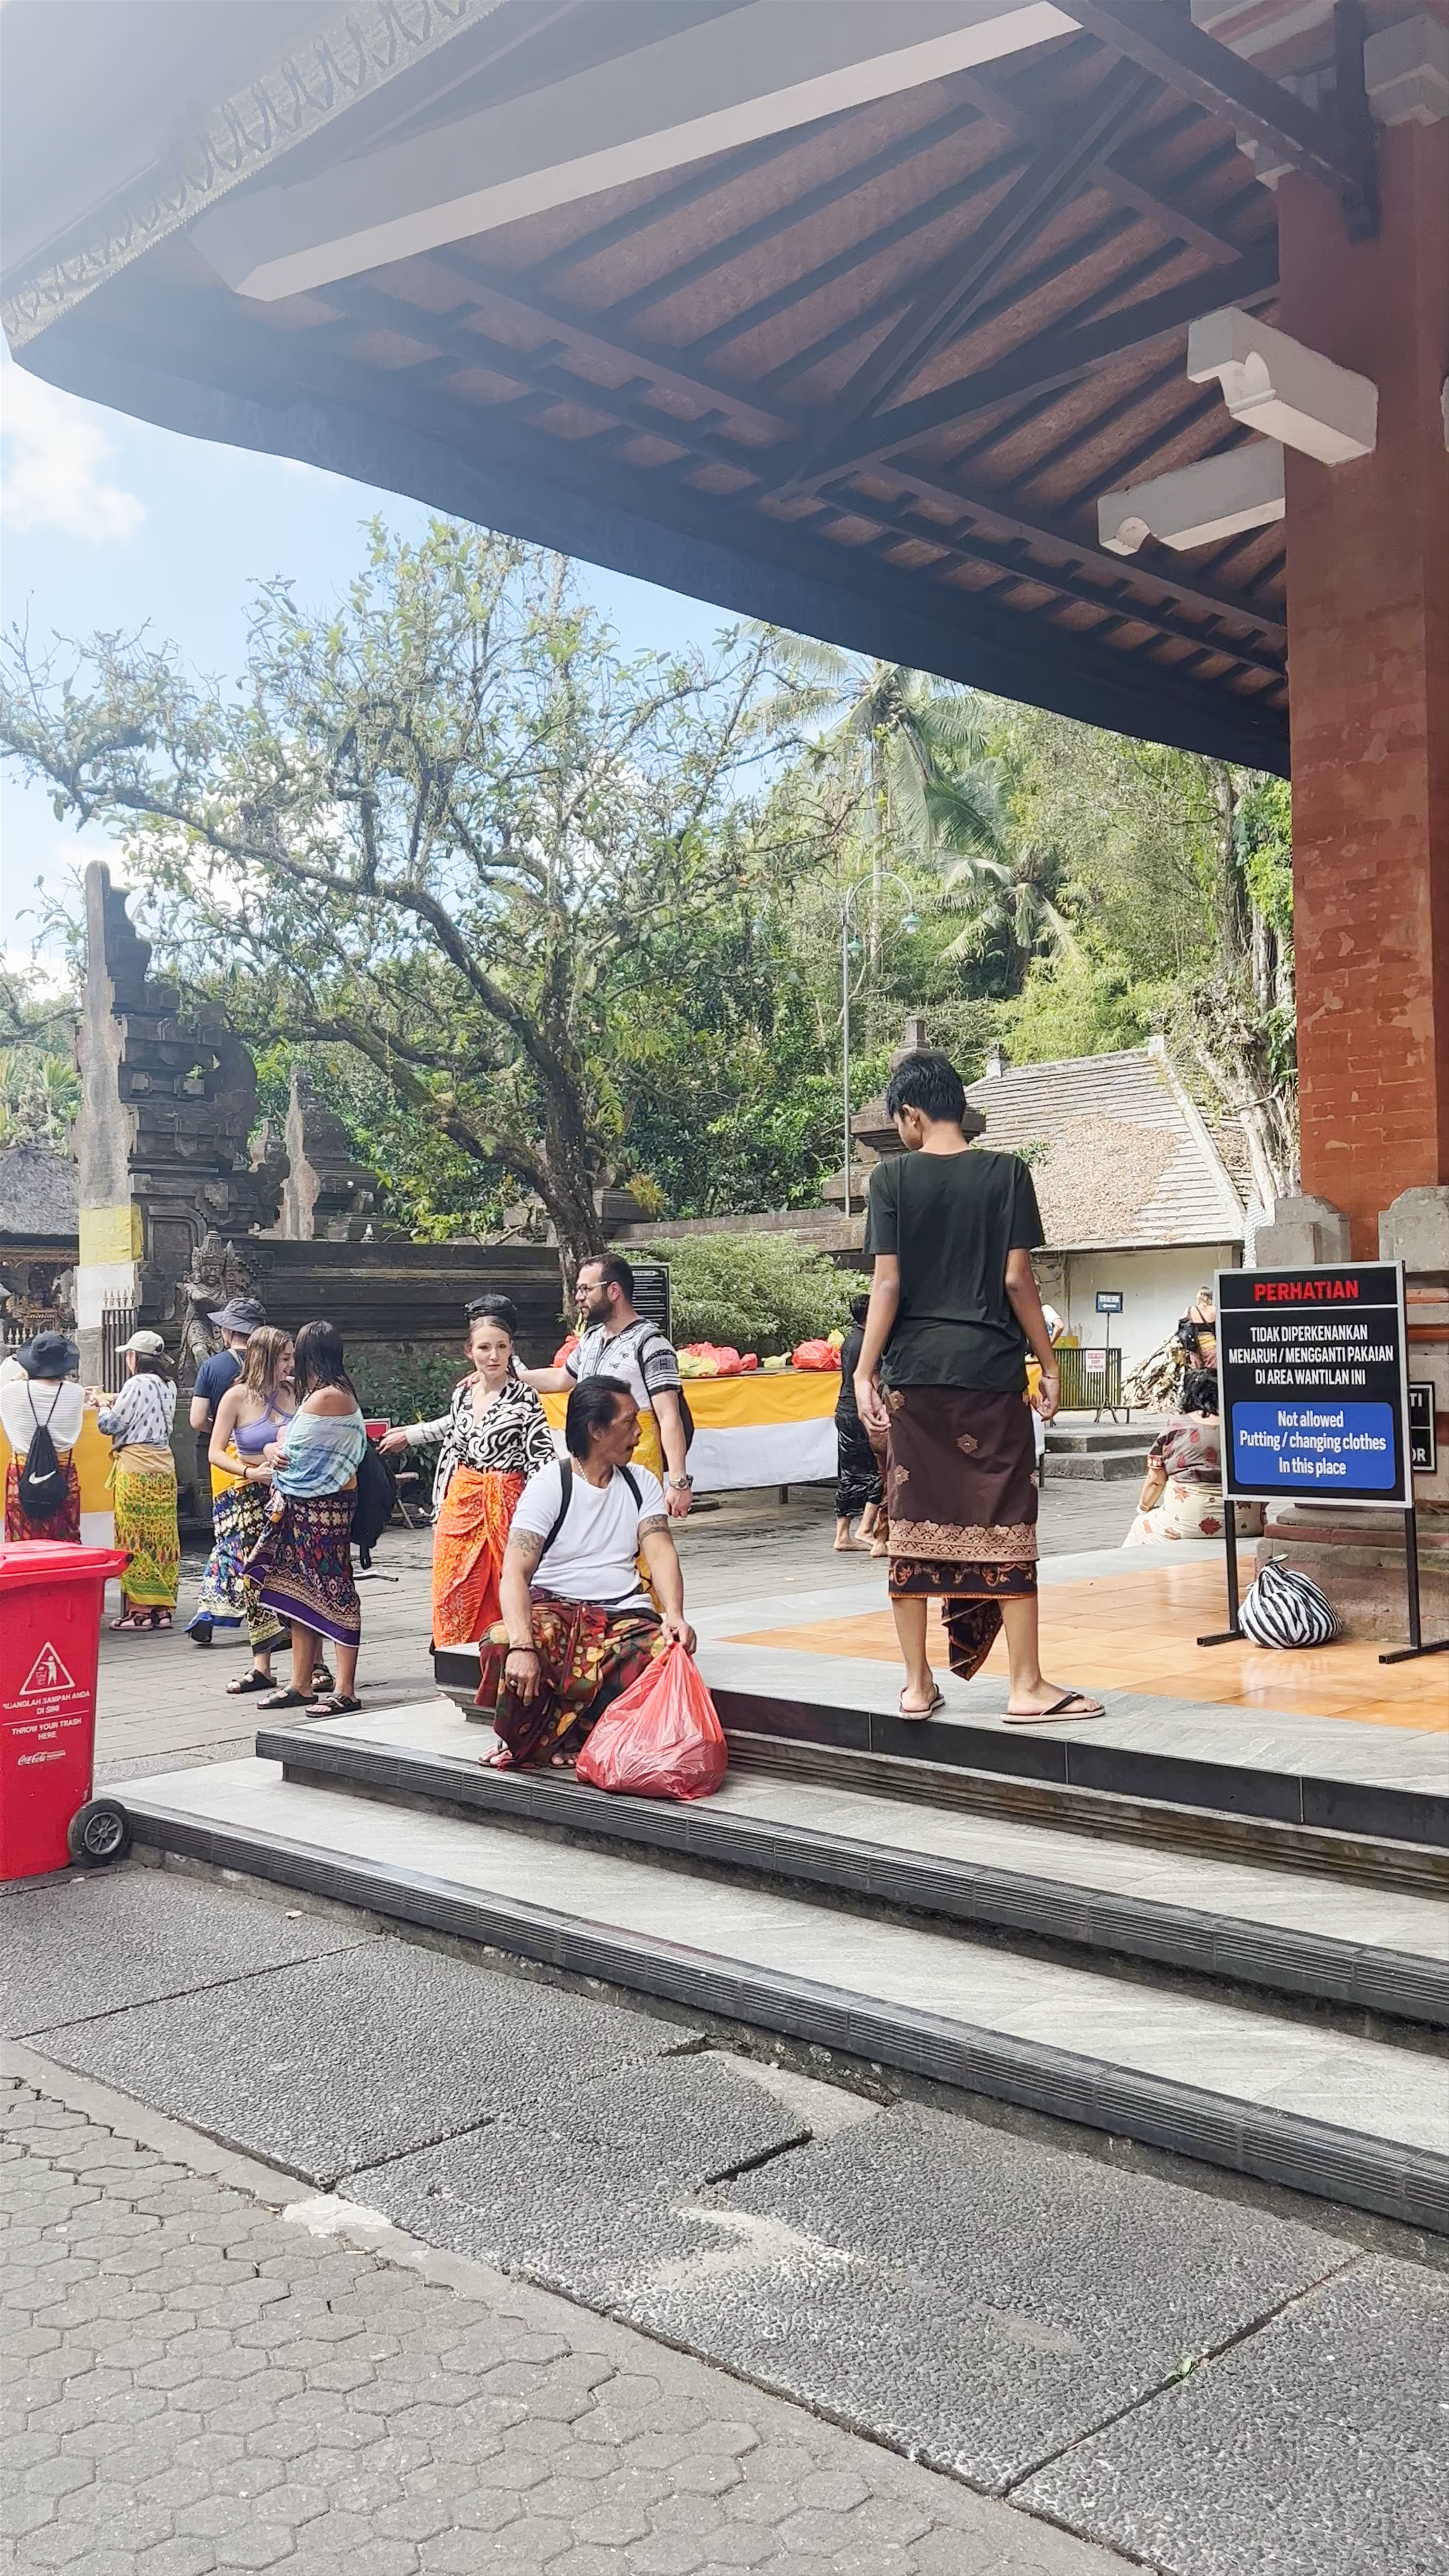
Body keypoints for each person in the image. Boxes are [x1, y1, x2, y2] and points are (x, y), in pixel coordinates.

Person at [854, 1050, 1103, 1726]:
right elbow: (1020, 1282)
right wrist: (1049, 1365)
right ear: (957, 1106)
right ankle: (1026, 1685)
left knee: (908, 1520)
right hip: (990, 1374)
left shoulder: (892, 1180)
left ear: (910, 1113)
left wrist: (864, 1369)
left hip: (915, 1377)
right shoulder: (1007, 1173)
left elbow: (888, 1284)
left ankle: (915, 1684)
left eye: (898, 1123)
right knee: (1006, 1519)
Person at [477, 1375, 696, 1770]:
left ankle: (583, 1737)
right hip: (555, 1610)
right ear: (596, 1429)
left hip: (623, 1615)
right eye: (629, 1422)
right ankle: (542, 1740)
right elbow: (514, 1573)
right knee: (500, 1640)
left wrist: (675, 1614)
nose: (638, 1431)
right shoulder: (551, 1484)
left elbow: (661, 1551)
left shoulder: (641, 1482)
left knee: (665, 1654)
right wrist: (524, 1645)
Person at [380, 1295, 555, 1646]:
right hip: (461, 1501)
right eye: (485, 1348)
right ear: (469, 1352)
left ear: (511, 1350)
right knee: (451, 1588)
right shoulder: (463, 1395)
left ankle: (505, 1655)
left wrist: (543, 1517)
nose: (493, 1356)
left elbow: (542, 1462)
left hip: (508, 1501)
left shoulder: (525, 1397)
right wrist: (440, 1500)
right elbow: (454, 1441)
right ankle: (454, 1653)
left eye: (501, 1347)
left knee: (508, 1583)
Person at [244, 1319, 369, 1716]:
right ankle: (300, 1683)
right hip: (306, 1507)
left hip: (323, 1509)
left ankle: (346, 1690)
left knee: (333, 1592)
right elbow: (283, 1446)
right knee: (301, 1593)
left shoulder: (326, 1397)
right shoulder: (322, 1393)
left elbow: (291, 1451)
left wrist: (273, 1447)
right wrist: (273, 1447)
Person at [521, 1254, 693, 1518]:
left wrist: (678, 1482)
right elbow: (561, 1380)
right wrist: (507, 1376)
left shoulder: (651, 1343)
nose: (579, 1297)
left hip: (635, 1459)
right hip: (590, 1461)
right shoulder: (591, 1339)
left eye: (586, 1289)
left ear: (614, 1290)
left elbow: (669, 1416)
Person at [186, 1325, 308, 1693]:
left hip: (290, 1494)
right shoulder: (236, 1397)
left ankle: (311, 1664)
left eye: (292, 1357)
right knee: (255, 1578)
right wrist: (250, 1470)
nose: (291, 1364)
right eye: (285, 1357)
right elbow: (215, 1450)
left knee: (298, 1575)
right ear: (266, 1358)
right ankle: (263, 1665)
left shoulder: (295, 1392)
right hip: (246, 1495)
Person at [93, 1331, 180, 1631]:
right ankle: (163, 1608)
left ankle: (139, 1611)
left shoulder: (135, 1383)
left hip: (137, 1467)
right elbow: (147, 1410)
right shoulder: (168, 1385)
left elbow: (110, 1425)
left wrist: (102, 1405)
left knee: (135, 1535)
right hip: (164, 1467)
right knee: (162, 1536)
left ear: (134, 1357)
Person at [1124, 1367, 1262, 1546]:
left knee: (1141, 1526)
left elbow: (1156, 1480)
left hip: (1187, 1520)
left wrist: (1144, 1508)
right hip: (1246, 1521)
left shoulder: (1176, 1426)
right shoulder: (1247, 1423)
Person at [2, 1331, 88, 1542]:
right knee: (64, 1532)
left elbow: (13, 1385)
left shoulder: (10, 1391)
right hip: (63, 1469)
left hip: (22, 1469)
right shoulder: (76, 1393)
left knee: (22, 1534)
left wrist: (21, 1376)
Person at [833, 1293, 882, 1552]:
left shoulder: (851, 1339)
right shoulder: (868, 1342)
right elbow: (874, 1380)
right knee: (877, 1473)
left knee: (850, 1473)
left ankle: (843, 1534)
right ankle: (865, 1528)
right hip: (860, 1411)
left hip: (844, 1409)